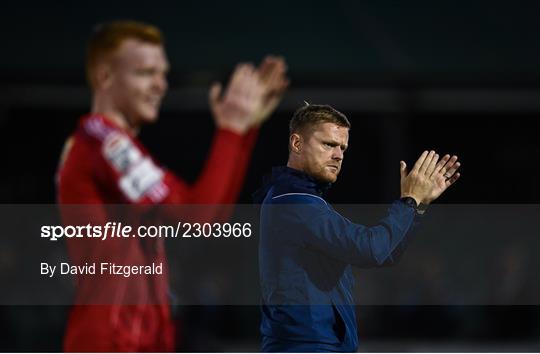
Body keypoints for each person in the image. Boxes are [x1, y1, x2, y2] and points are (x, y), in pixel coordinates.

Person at [56, 20, 288, 352]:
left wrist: (243, 131)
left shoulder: (119, 148)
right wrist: (231, 130)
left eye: (162, 74)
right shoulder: (101, 142)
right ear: (105, 77)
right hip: (110, 342)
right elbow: (196, 218)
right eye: (144, 73)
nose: (159, 85)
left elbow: (208, 218)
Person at [254, 104, 460, 352]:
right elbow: (370, 249)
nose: (339, 155)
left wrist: (418, 206)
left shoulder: (295, 198)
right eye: (328, 144)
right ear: (297, 144)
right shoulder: (294, 202)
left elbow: (386, 253)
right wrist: (409, 202)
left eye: (343, 148)